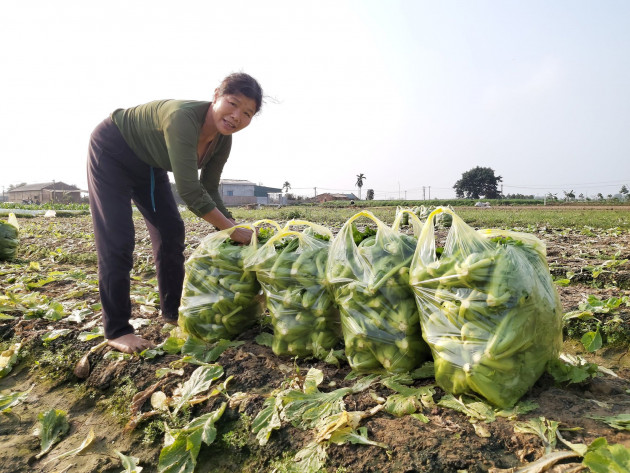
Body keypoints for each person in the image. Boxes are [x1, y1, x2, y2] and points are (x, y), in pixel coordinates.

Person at [87, 72, 263, 354]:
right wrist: (230, 230)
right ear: (216, 94)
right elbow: (191, 191)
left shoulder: (222, 140)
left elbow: (209, 188)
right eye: (232, 103)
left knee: (171, 231)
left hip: (150, 163)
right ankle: (117, 330)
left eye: (247, 113)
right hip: (113, 151)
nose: (236, 116)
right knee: (117, 240)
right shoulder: (182, 119)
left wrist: (232, 223)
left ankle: (173, 311)